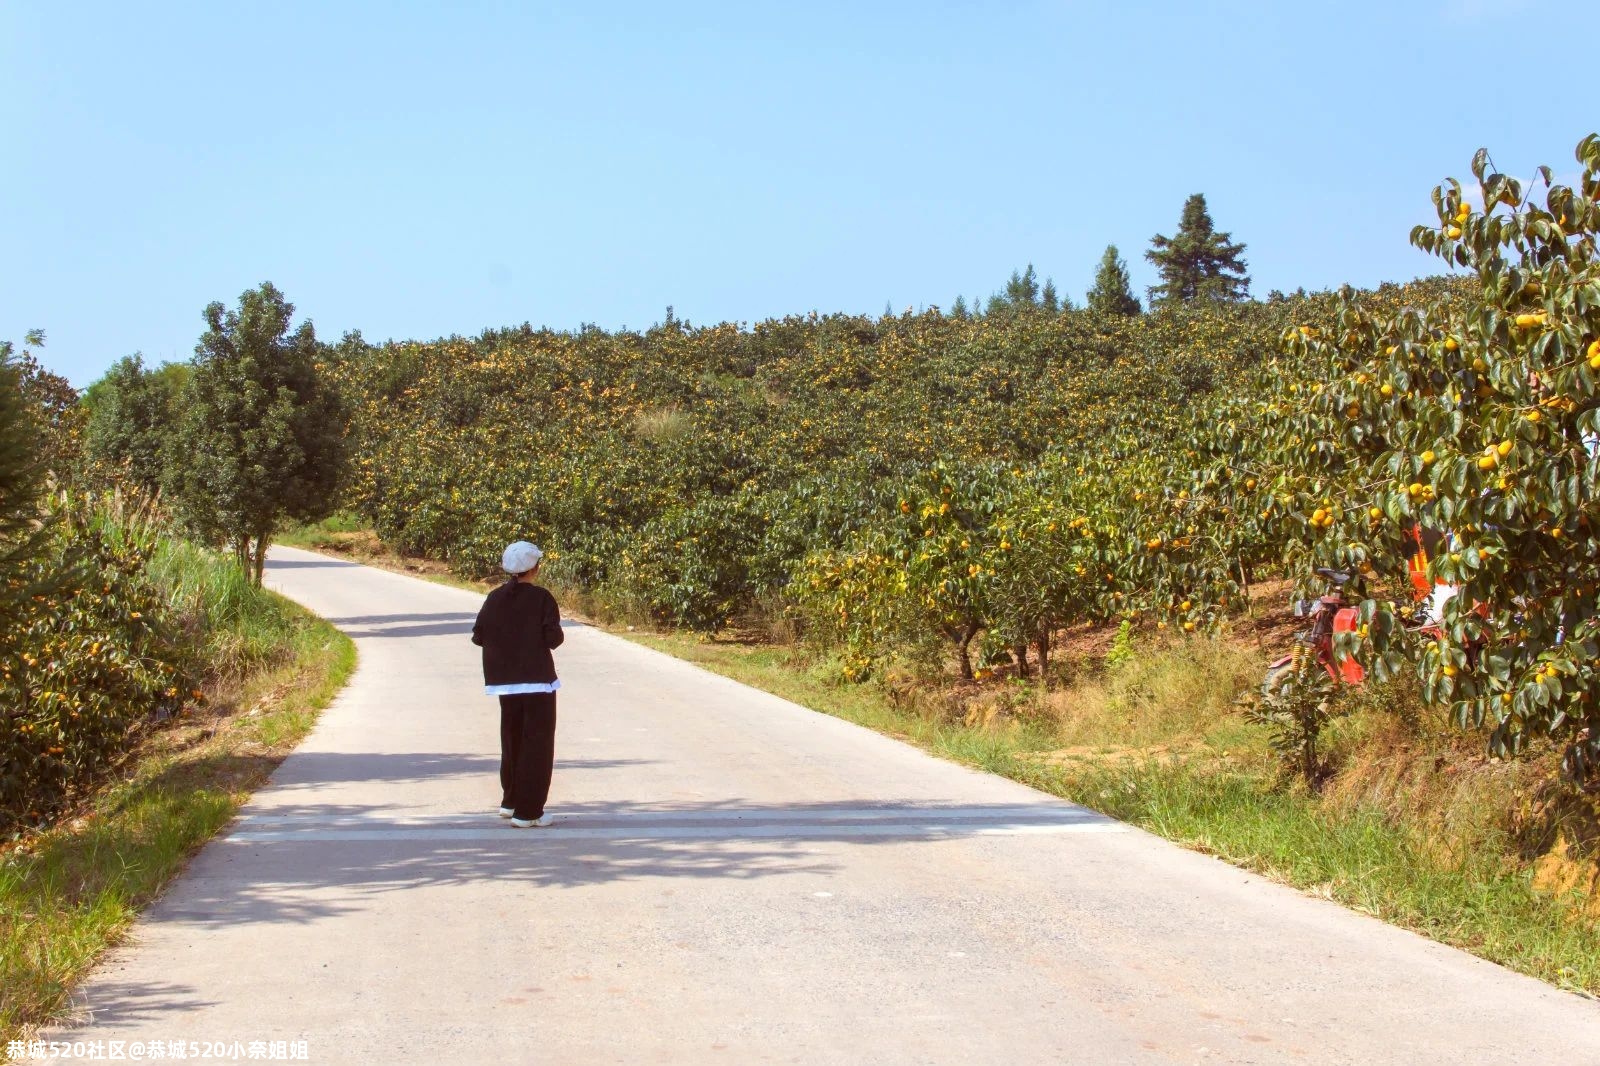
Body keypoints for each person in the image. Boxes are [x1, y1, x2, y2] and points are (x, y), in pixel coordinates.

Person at [471, 541, 564, 828]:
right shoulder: (542, 598)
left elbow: (478, 636)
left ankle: (510, 801)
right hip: (537, 682)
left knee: (511, 740)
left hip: (504, 684)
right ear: (534, 568)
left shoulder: (494, 597)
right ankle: (529, 811)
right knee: (536, 744)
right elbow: (553, 639)